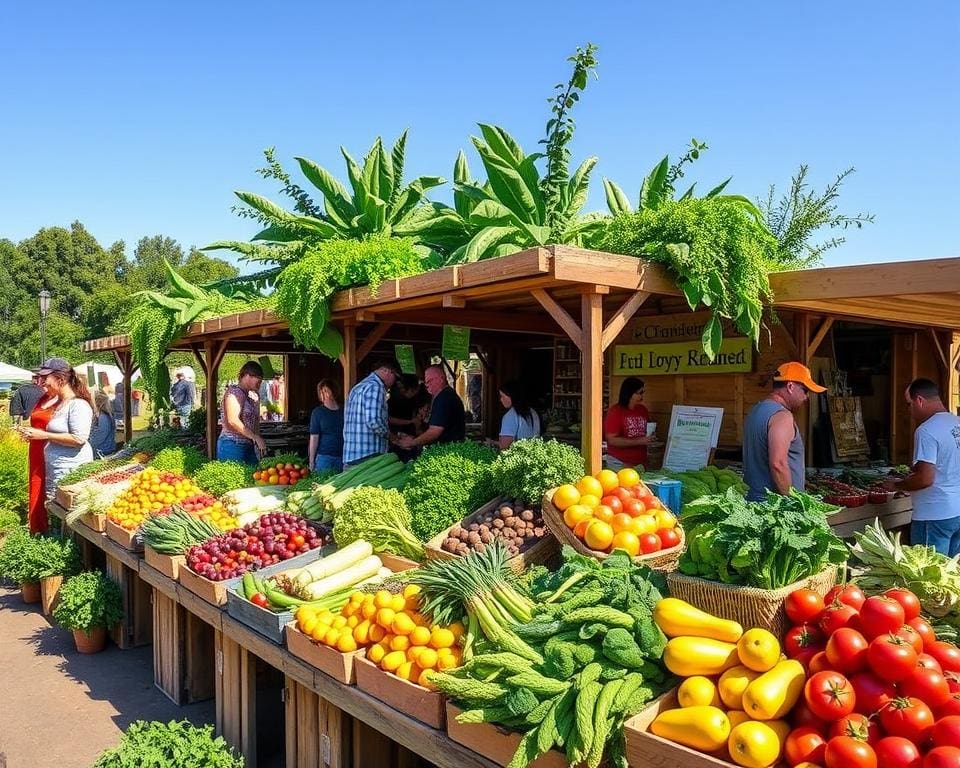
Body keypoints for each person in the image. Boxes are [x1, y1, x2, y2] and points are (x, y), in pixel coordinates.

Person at [884, 378, 960, 555]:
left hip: (934, 516)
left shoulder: (927, 430)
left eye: (908, 404)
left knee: (926, 575)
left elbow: (925, 479)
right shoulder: (956, 423)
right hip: (956, 511)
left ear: (919, 400)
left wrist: (896, 485)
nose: (908, 410)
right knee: (952, 575)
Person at [16, 358, 94, 522]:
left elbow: (79, 438)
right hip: (58, 469)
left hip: (70, 469)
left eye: (46, 378)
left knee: (70, 515)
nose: (43, 382)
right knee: (58, 513)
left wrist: (44, 435)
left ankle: (68, 545)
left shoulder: (78, 404)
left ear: (61, 379)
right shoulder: (60, 403)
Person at [742, 361, 826, 501]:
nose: (807, 397)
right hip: (775, 508)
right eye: (805, 391)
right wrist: (793, 501)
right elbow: (778, 464)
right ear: (790, 386)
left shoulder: (755, 410)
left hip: (754, 500)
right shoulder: (782, 417)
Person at [342, 359, 401, 466]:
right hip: (368, 456)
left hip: (351, 454)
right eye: (395, 377)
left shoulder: (358, 387)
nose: (394, 383)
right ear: (388, 371)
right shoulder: (376, 387)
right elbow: (374, 422)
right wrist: (393, 438)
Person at [397, 365, 466, 452]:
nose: (427, 385)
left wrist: (412, 442)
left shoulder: (444, 398)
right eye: (426, 382)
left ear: (441, 379)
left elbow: (434, 431)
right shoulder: (443, 395)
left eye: (430, 381)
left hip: (448, 451)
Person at [217, 361, 266, 465]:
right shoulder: (234, 392)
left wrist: (258, 440)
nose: (260, 383)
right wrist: (255, 437)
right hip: (232, 444)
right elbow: (233, 420)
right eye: (259, 379)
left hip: (248, 444)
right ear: (248, 376)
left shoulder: (252, 396)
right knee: (233, 478)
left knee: (254, 477)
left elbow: (255, 421)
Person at [604, 377, 652, 470]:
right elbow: (612, 440)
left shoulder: (642, 410)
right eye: (639, 393)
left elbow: (646, 432)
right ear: (629, 393)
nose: (642, 396)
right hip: (619, 463)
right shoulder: (616, 411)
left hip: (640, 463)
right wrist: (640, 441)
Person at [389, 374, 429, 461]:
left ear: (411, 389)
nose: (401, 391)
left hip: (414, 438)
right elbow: (389, 418)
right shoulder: (396, 399)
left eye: (403, 389)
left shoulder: (423, 397)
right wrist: (411, 422)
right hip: (400, 437)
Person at [308, 378, 344, 473]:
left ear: (334, 391)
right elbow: (314, 437)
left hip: (343, 456)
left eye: (326, 390)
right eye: (321, 391)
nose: (324, 394)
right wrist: (311, 460)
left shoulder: (344, 411)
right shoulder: (317, 413)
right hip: (324, 457)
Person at [498, 380, 541, 449]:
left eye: (502, 396)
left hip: (516, 457)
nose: (501, 399)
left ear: (511, 395)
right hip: (533, 455)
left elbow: (504, 446)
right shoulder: (533, 412)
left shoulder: (510, 416)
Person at [89, 390, 117, 458]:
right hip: (102, 451)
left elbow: (98, 439)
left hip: (103, 453)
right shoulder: (100, 416)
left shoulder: (103, 418)